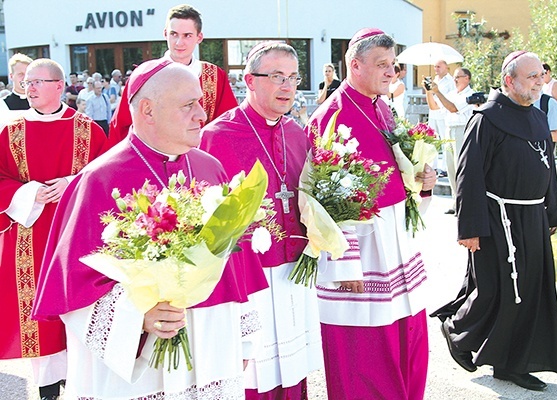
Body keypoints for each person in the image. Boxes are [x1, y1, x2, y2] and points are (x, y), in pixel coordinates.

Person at [32, 59, 266, 399]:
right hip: (134, 364)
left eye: (200, 102)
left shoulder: (210, 168)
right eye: (188, 105)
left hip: (210, 345)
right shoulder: (98, 180)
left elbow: (235, 264)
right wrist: (137, 314)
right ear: (148, 110)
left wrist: (243, 339)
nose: (202, 115)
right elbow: (73, 288)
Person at [307, 28, 437, 400]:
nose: (391, 72)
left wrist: (421, 178)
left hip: (396, 242)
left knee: (405, 342)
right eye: (381, 65)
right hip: (360, 256)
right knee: (366, 356)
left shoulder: (383, 106)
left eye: (392, 65)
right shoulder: (330, 116)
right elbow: (322, 202)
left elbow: (401, 174)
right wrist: (346, 267)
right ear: (355, 65)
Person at [430, 51, 557, 392]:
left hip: (533, 216)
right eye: (532, 76)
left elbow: (548, 169)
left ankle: (511, 365)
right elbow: (469, 176)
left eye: (541, 75)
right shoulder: (487, 119)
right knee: (495, 290)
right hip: (497, 217)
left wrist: (553, 214)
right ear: (510, 80)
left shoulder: (537, 116)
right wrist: (470, 228)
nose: (539, 81)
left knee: (530, 291)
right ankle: (457, 332)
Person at [200, 41, 323, 400]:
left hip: (295, 270)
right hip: (247, 277)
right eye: (276, 77)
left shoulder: (296, 133)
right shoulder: (215, 137)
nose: (288, 86)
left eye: (292, 77)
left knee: (293, 369)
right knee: (253, 373)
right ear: (250, 81)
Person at [0, 58, 107, 400]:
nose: (28, 88)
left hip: (75, 234)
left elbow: (106, 177)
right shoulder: (11, 132)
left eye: (36, 82)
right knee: (38, 314)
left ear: (59, 87)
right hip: (29, 233)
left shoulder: (89, 130)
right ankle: (47, 388)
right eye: (26, 82)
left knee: (76, 308)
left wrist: (73, 183)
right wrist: (27, 192)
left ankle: (81, 383)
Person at [108, 4, 238, 148]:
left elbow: (228, 125)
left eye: (187, 35)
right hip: (154, 161)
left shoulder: (215, 76)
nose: (179, 42)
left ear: (199, 37)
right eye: (174, 34)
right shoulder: (145, 76)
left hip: (202, 160)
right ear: (165, 34)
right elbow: (120, 126)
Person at [424, 67, 475, 214]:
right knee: (451, 167)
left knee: (461, 167)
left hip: (461, 129)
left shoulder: (469, 95)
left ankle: (465, 202)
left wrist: (438, 92)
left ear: (467, 78)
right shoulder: (451, 94)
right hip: (449, 129)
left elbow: (453, 108)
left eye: (458, 77)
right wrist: (429, 91)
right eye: (454, 77)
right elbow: (434, 107)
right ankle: (456, 201)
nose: (455, 80)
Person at [426, 59, 456, 176]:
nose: (436, 69)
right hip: (433, 113)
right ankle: (433, 166)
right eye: (435, 67)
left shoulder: (450, 81)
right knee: (432, 140)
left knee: (445, 140)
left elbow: (450, 98)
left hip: (443, 113)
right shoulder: (434, 80)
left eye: (438, 67)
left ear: (446, 67)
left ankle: (445, 168)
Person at [0, 53, 33, 125]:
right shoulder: (2, 105)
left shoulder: (42, 102)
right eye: (21, 74)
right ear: (11, 76)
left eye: (28, 74)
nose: (25, 78)